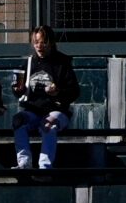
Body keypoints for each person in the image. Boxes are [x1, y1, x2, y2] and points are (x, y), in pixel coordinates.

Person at [11, 26, 78, 173]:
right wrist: (18, 89)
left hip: (57, 110)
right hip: (34, 110)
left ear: (51, 42)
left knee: (48, 125)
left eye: (43, 42)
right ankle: (24, 163)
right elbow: (22, 92)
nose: (39, 46)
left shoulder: (62, 63)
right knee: (18, 121)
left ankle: (45, 168)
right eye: (36, 42)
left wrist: (57, 92)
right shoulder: (29, 63)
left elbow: (74, 92)